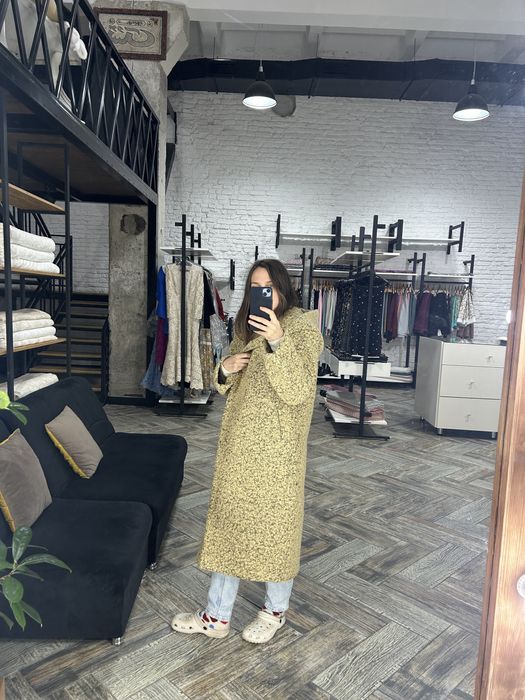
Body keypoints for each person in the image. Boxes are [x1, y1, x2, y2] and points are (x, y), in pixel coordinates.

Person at [171, 258, 324, 644]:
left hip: (278, 452)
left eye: (268, 286)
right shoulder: (247, 327)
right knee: (230, 526)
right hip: (239, 449)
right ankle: (216, 616)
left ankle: (274, 612)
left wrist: (278, 340)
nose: (261, 294)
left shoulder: (303, 328)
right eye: (255, 287)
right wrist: (225, 368)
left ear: (283, 289)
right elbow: (228, 388)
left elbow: (298, 389)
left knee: (277, 530)